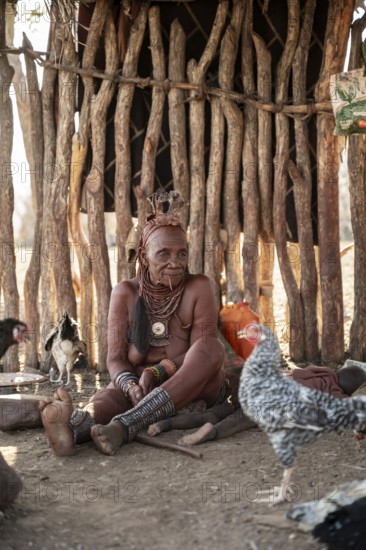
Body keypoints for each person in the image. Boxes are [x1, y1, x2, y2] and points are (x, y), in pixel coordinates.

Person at [37, 190, 229, 456]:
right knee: (107, 399)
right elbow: (115, 359)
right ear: (143, 254)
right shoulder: (125, 293)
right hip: (138, 384)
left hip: (195, 384)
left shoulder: (199, 287)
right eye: (163, 254)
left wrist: (159, 371)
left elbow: (201, 353)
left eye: (182, 254)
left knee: (212, 348)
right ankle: (71, 429)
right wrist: (130, 385)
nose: (175, 263)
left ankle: (125, 425)